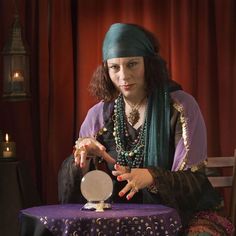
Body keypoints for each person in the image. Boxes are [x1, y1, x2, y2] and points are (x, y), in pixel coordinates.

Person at [58, 23, 234, 235]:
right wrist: (83, 159)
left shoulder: (181, 107)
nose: (123, 76)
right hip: (119, 215)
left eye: (132, 64)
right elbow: (80, 194)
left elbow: (193, 181)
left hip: (183, 214)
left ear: (148, 64)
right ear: (106, 69)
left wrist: (152, 177)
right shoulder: (98, 115)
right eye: (115, 67)